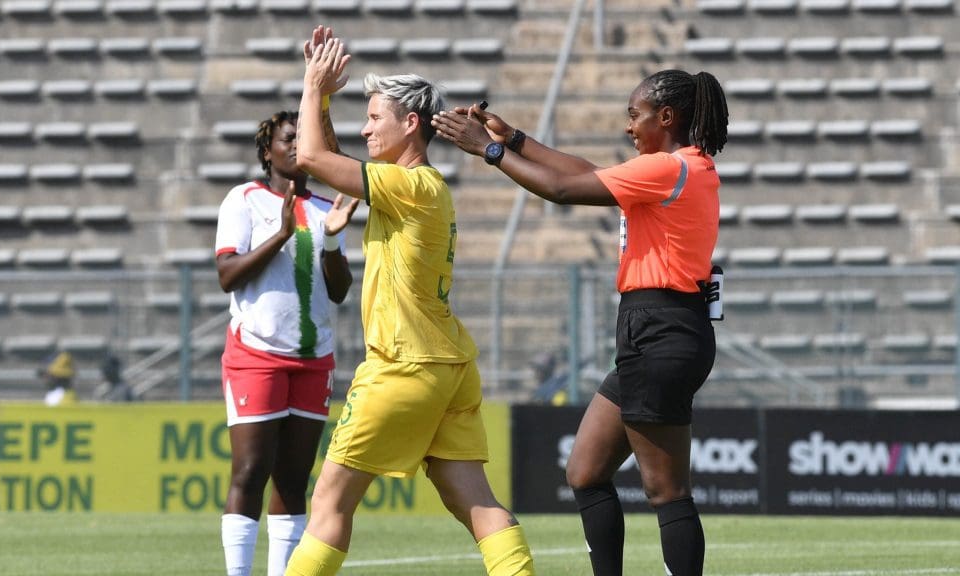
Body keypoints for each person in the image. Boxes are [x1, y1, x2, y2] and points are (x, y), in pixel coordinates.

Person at [432, 69, 728, 576]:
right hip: (656, 330)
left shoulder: (667, 169)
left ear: (666, 116)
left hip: (660, 331)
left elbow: (564, 189)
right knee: (586, 472)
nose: (629, 127)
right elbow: (586, 171)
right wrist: (516, 139)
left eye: (634, 116)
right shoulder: (679, 168)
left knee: (667, 492)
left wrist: (490, 150)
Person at [284, 28, 536, 576]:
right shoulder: (417, 185)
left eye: (375, 118)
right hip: (448, 366)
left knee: (328, 503)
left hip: (402, 366)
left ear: (411, 124)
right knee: (474, 502)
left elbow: (308, 156)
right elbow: (332, 157)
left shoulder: (409, 186)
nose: (365, 127)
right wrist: (323, 100)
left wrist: (310, 86)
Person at [214, 95, 359, 575]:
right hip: (256, 354)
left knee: (294, 480)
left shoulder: (324, 207)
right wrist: (278, 235)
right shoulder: (244, 199)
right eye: (288, 138)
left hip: (314, 357)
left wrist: (335, 239)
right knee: (251, 472)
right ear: (268, 152)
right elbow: (228, 275)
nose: (298, 145)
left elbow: (339, 291)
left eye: (304, 137)